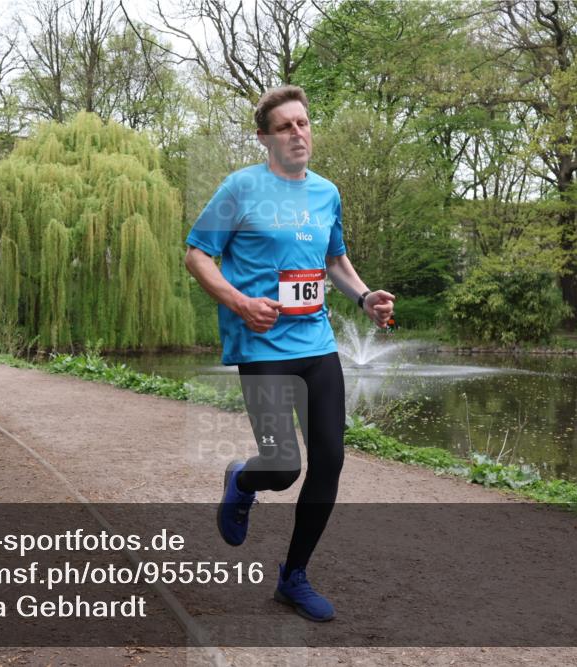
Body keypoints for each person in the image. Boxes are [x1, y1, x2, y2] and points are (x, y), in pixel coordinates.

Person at [184, 85, 395, 622]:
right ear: (264, 138)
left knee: (330, 461)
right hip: (262, 345)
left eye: (303, 123)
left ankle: (293, 576)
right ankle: (243, 479)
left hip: (316, 344)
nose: (298, 133)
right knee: (282, 467)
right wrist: (238, 302)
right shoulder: (240, 188)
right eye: (285, 126)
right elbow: (197, 255)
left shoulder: (327, 193)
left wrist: (365, 297)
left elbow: (335, 262)